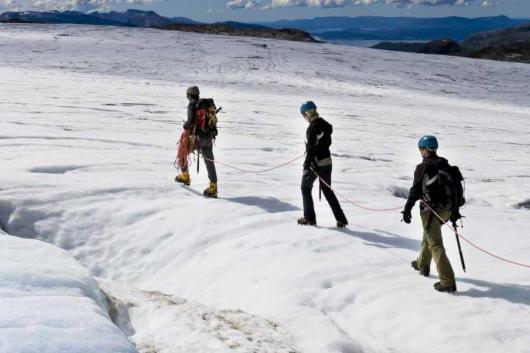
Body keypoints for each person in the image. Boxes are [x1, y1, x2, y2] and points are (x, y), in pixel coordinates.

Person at [402, 135, 457, 293]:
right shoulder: (445, 164)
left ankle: (447, 282)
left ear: (425, 149)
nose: (420, 151)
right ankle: (422, 265)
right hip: (447, 210)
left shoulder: (423, 166)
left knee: (435, 244)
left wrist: (407, 209)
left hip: (431, 210)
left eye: (420, 148)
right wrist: (454, 211)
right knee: (429, 235)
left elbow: (415, 191)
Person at [297, 101, 348, 228]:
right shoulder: (326, 125)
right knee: (327, 190)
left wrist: (306, 165)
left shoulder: (312, 128)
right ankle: (341, 219)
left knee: (305, 188)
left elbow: (311, 148)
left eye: (303, 114)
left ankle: (309, 218)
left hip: (315, 164)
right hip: (327, 162)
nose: (304, 117)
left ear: (308, 113)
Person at [175, 86, 218, 198]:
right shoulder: (206, 104)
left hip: (197, 138)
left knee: (182, 151)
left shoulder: (192, 105)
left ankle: (185, 176)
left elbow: (190, 121)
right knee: (209, 162)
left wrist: (185, 125)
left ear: (189, 95)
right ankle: (213, 187)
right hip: (209, 137)